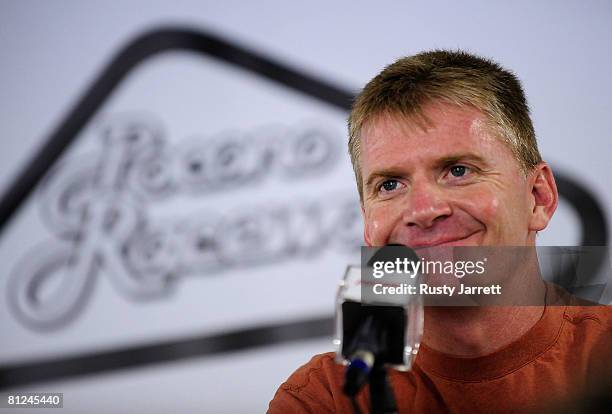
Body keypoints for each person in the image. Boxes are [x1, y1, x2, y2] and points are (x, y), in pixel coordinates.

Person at [268, 50, 612, 413]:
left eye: (458, 170)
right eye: (389, 185)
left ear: (538, 197)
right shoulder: (326, 398)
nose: (423, 211)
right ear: (369, 224)